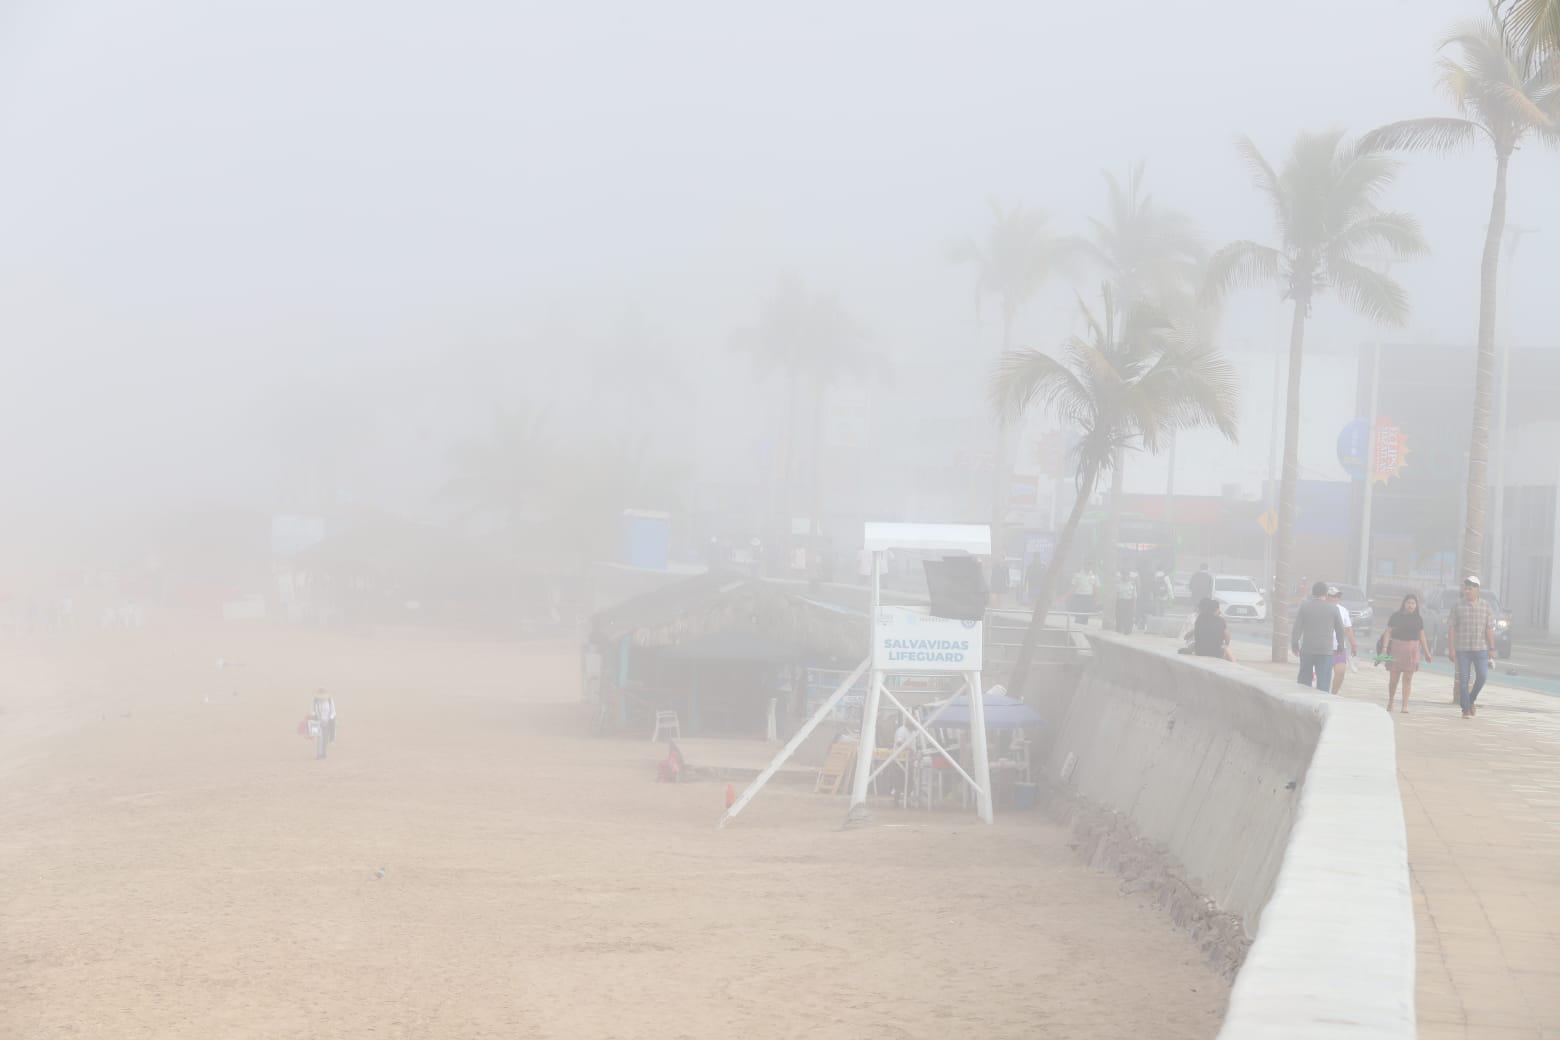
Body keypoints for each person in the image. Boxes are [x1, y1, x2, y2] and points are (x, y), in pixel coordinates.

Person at [1448, 575, 1497, 718]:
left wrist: (1492, 648)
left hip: (1481, 649)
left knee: (1482, 676)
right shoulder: (1458, 605)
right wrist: (1451, 649)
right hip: (1462, 650)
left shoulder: (1485, 606)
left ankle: (1471, 699)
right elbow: (1451, 628)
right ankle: (1465, 709)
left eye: (1470, 589)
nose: (1467, 591)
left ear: (1477, 590)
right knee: (1463, 680)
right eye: (1466, 589)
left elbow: (1489, 628)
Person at [1292, 581, 1348, 692]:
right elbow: (1340, 630)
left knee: (1304, 680)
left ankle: (1303, 702)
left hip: (1307, 649)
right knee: (1323, 682)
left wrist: (1294, 644)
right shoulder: (1333, 609)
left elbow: (1297, 627)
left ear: (1313, 593)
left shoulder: (1305, 606)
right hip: (1325, 651)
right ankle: (1320, 705)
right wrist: (1340, 646)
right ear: (1326, 593)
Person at [1382, 593, 1432, 713]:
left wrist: (1426, 652)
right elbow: (1388, 632)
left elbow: (1422, 636)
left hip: (1412, 650)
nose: (1410, 605)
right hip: (1396, 649)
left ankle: (1405, 705)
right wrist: (1384, 648)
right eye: (1408, 602)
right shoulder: (1396, 616)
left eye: (1413, 603)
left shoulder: (1418, 619)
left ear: (1416, 605)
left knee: (1408, 679)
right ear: (1404, 604)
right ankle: (1391, 700)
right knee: (1393, 679)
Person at [1326, 585, 1358, 696]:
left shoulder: (1343, 610)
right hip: (1323, 648)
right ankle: (1322, 693)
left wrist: (1353, 643)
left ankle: (1333, 694)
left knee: (1340, 672)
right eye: (1333, 596)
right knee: (1324, 674)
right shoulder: (1321, 608)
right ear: (1327, 596)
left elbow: (1348, 629)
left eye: (1338, 596)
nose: (1336, 598)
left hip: (1338, 647)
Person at [1192, 597, 1235, 661]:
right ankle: (1233, 663)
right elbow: (1227, 635)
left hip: (1199, 651)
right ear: (1217, 609)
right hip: (1216, 653)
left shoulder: (1200, 618)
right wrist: (1226, 644)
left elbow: (1197, 631)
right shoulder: (1221, 620)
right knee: (1226, 649)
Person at [310, 690, 337, 760]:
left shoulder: (329, 700)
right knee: (319, 738)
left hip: (327, 722)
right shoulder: (315, 701)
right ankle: (319, 754)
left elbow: (333, 712)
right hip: (318, 722)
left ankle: (324, 754)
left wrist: (329, 720)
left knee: (325, 738)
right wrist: (316, 720)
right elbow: (313, 711)